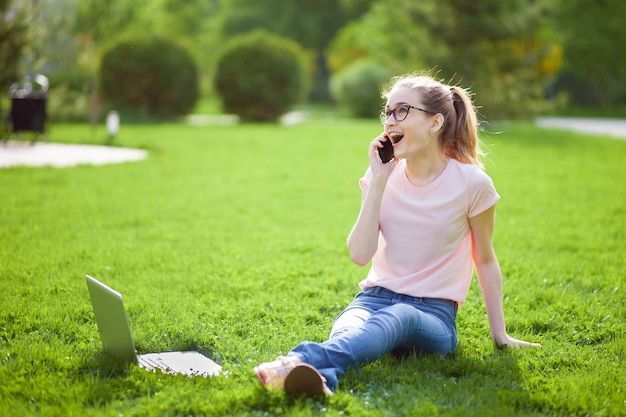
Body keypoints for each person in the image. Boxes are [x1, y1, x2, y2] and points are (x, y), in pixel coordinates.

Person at [254, 73, 540, 397]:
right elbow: (361, 256)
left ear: (435, 123)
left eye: (402, 110)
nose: (390, 121)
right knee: (348, 329)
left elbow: (485, 260)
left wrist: (499, 334)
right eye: (387, 112)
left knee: (399, 315)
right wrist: (378, 180)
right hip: (373, 299)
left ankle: (297, 360)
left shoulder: (473, 185)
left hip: (432, 316)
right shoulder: (381, 175)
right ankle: (322, 380)